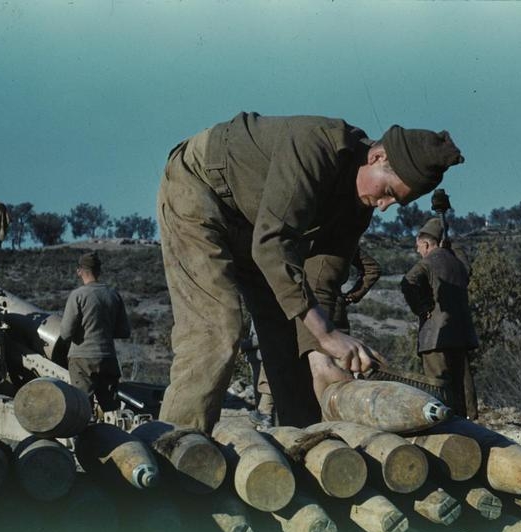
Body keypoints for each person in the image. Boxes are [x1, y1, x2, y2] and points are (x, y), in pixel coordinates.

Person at [157, 111, 464, 432]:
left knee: (289, 337)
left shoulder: (356, 208)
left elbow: (321, 282)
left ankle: (306, 446)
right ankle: (178, 450)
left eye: (395, 202)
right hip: (199, 187)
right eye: (387, 191)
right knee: (217, 328)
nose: (384, 205)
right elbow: (272, 245)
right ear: (377, 156)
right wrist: (326, 335)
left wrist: (322, 356)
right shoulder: (314, 146)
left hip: (254, 221)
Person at [400, 218, 479, 418]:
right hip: (461, 334)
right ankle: (467, 423)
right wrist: (449, 244)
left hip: (435, 336)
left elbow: (407, 282)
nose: (418, 251)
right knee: (462, 384)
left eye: (419, 246)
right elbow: (467, 268)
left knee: (437, 385)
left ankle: (444, 428)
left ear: (426, 244)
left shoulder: (427, 262)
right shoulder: (458, 262)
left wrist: (421, 308)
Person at [59, 251, 131, 414]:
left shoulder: (78, 295)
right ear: (99, 271)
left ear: (79, 271)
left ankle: (85, 439)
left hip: (82, 359)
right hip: (108, 358)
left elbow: (66, 333)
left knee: (83, 408)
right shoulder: (113, 295)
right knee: (111, 410)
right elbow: (124, 331)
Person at [332, 247, 381, 334]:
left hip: (309, 306)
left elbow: (373, 270)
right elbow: (373, 269)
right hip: (333, 306)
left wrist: (353, 295)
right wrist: (352, 296)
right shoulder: (341, 239)